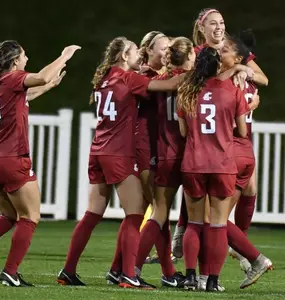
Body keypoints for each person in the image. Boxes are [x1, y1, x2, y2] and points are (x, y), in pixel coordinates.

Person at [56, 36, 184, 289]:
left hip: (98, 151)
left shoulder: (104, 78)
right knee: (136, 214)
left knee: (92, 214)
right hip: (118, 153)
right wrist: (191, 73)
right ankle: (128, 274)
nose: (139, 55)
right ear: (125, 56)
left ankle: (68, 270)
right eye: (135, 51)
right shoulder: (128, 78)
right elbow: (170, 84)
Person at [0, 40, 80, 287]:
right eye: (24, 56)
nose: (27, 59)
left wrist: (49, 87)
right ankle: (10, 272)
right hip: (12, 158)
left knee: (9, 215)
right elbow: (42, 77)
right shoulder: (14, 78)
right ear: (15, 61)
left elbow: (28, 94)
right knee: (30, 217)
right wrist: (64, 55)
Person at [171, 7, 269, 260]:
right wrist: (235, 73)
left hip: (236, 131)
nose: (219, 27)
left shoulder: (234, 51)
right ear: (201, 29)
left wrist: (245, 70)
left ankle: (232, 247)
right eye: (213, 23)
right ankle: (233, 251)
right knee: (211, 210)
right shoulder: (199, 55)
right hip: (217, 135)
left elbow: (263, 79)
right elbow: (201, 85)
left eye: (222, 22)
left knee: (248, 190)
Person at [176, 47, 250, 291]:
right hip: (222, 163)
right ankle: (213, 282)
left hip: (194, 163)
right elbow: (242, 131)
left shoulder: (186, 91)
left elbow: (183, 132)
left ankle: (190, 277)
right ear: (218, 66)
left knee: (194, 223)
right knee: (218, 224)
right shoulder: (233, 91)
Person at [134, 36, 195, 288]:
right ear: (189, 56)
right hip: (192, 156)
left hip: (165, 154)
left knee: (159, 212)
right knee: (197, 219)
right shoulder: (195, 82)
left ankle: (133, 268)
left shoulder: (158, 81)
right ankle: (198, 277)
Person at [134, 31, 169, 265]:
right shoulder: (143, 76)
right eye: (163, 48)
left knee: (147, 210)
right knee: (159, 209)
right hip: (144, 146)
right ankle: (166, 270)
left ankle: (121, 266)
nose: (168, 52)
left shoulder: (158, 75)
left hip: (156, 146)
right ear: (148, 51)